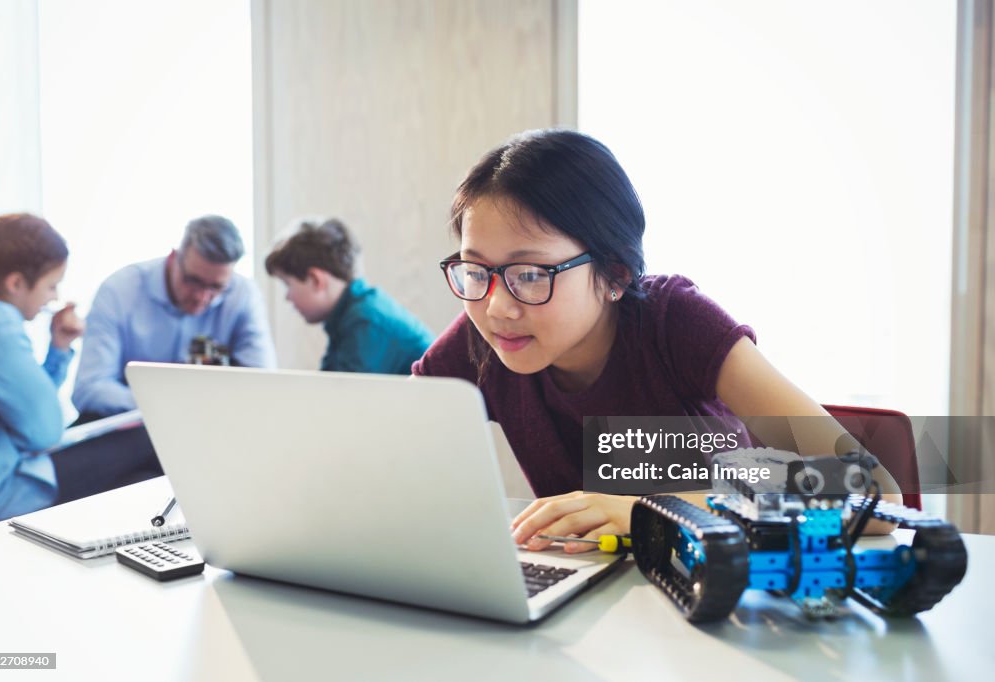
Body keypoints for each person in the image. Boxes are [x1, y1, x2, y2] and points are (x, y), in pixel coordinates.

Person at [412, 129, 901, 551]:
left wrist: (651, 509)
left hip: (724, 591)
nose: (497, 305)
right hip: (588, 608)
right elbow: (385, 463)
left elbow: (876, 495)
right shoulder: (487, 339)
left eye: (532, 274)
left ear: (614, 275)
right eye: (477, 271)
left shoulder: (675, 321)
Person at [72, 215, 276, 418]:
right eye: (193, 281)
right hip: (134, 427)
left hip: (212, 427)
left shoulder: (243, 295)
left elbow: (261, 385)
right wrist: (167, 407)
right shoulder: (119, 292)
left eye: (216, 287)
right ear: (173, 258)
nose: (201, 297)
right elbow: (89, 389)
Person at [0, 214, 83, 523]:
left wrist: (58, 347)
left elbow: (25, 411)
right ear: (16, 283)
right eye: (51, 285)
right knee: (138, 450)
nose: (55, 297)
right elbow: (45, 431)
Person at [265, 217, 433, 374]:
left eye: (288, 284)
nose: (287, 297)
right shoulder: (350, 314)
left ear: (317, 280)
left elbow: (343, 399)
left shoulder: (365, 321)